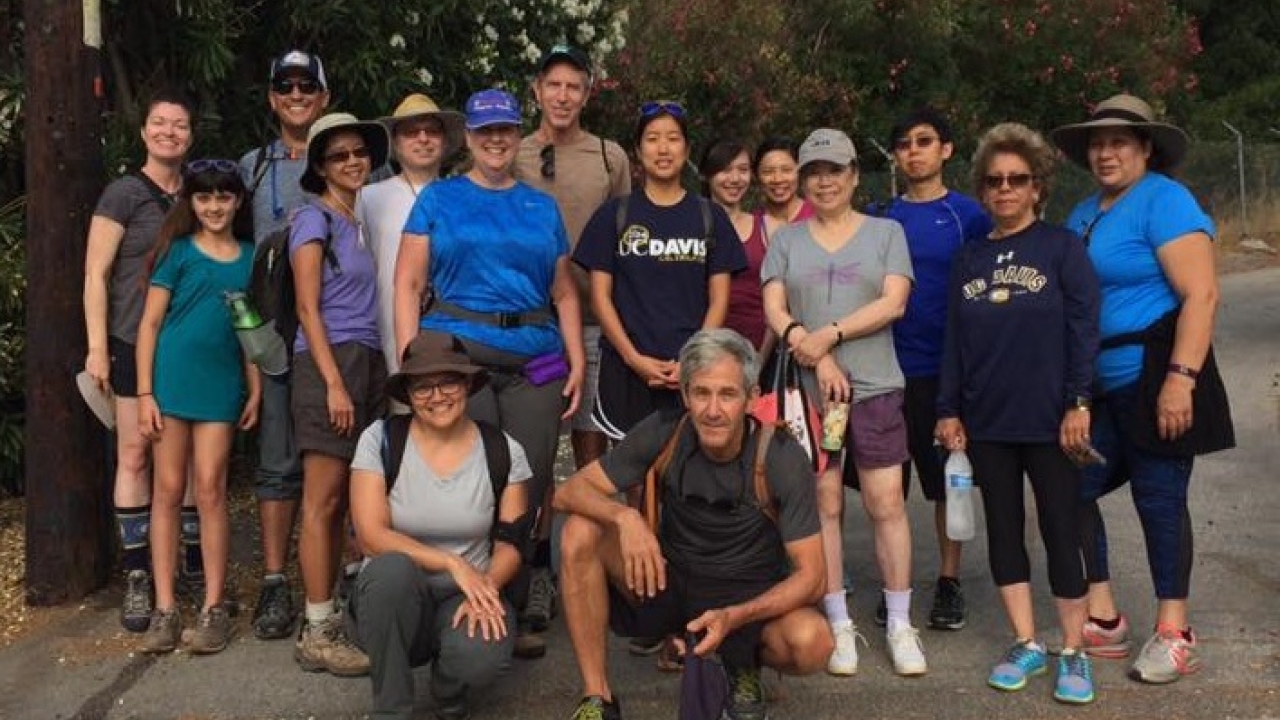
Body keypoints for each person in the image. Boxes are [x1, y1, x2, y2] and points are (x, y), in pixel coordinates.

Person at [394, 88, 586, 660]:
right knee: (475, 480)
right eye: (484, 131)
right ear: (469, 139)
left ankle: (519, 595)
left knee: (526, 482)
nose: (496, 139)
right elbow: (407, 283)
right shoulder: (439, 199)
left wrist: (574, 358)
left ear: (516, 133)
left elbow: (563, 292)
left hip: (538, 353)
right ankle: (469, 599)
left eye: (505, 129)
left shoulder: (541, 207)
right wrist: (413, 360)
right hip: (460, 349)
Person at [555, 329, 833, 720]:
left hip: (747, 597)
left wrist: (736, 618)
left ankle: (743, 665)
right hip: (670, 581)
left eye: (727, 394)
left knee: (813, 641)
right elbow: (567, 493)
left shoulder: (783, 456)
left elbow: (813, 578)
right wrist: (625, 516)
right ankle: (597, 698)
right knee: (579, 532)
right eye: (701, 393)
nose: (713, 410)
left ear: (752, 398)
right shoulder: (666, 429)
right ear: (685, 395)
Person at [1051, 94, 1220, 685]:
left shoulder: (1165, 200)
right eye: (1097, 143)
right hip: (1096, 389)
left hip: (1155, 376)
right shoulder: (1081, 212)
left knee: (1159, 498)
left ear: (1146, 148)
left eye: (1120, 141)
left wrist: (1182, 380)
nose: (1106, 152)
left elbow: (1201, 294)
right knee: (1070, 483)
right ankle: (1102, 616)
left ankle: (1174, 632)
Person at [934, 123, 1100, 703]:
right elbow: (953, 340)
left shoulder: (1062, 249)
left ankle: (1075, 652)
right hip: (988, 423)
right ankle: (1027, 641)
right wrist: (948, 409)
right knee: (1004, 532)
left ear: (1036, 187)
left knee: (1061, 531)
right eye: (994, 181)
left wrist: (1080, 403)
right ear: (982, 190)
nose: (1005, 189)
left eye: (1017, 180)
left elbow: (1084, 332)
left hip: (1052, 419)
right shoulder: (968, 258)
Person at [761, 128, 923, 677]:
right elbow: (775, 310)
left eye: (835, 170)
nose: (825, 180)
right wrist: (815, 351)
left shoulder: (886, 232)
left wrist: (827, 335)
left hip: (875, 387)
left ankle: (900, 623)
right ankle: (837, 621)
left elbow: (894, 303)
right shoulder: (787, 240)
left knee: (887, 504)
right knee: (825, 506)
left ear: (855, 174)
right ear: (804, 181)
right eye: (815, 172)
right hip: (808, 398)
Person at [513, 44, 631, 648]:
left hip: (589, 323)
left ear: (588, 93)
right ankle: (535, 569)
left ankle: (586, 562)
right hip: (532, 326)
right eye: (553, 85)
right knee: (533, 450)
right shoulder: (512, 149)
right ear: (537, 90)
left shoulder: (609, 156)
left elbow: (624, 236)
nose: (562, 96)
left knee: (591, 447)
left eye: (574, 86)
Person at [349, 332, 531, 720]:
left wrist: (487, 587)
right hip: (396, 599)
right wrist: (451, 562)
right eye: (422, 386)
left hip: (466, 595)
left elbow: (512, 542)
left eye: (448, 381)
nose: (437, 396)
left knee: (482, 653)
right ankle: (391, 709)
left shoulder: (503, 449)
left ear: (466, 384)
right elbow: (370, 535)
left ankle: (449, 688)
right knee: (390, 569)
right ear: (408, 394)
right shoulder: (379, 440)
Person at [82, 90, 202, 633]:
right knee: (135, 455)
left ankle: (193, 561)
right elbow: (95, 275)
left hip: (190, 342)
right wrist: (97, 347)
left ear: (190, 134)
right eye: (160, 123)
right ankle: (137, 573)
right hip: (132, 340)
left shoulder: (201, 192)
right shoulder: (123, 194)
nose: (169, 132)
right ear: (144, 132)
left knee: (196, 459)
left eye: (179, 125)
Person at [135, 160, 261, 654]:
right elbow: (149, 325)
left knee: (211, 488)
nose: (214, 206)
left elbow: (249, 327)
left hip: (221, 386)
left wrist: (256, 386)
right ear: (191, 202)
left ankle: (212, 607)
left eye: (224, 197)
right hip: (171, 381)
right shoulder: (178, 252)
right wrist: (145, 393)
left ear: (238, 201)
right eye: (204, 197)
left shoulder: (250, 258)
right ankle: (165, 608)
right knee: (167, 489)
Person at [876, 107, 991, 631]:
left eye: (924, 141)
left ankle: (948, 581)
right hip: (887, 370)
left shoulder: (970, 215)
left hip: (946, 374)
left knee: (948, 484)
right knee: (888, 487)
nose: (913, 151)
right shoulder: (881, 218)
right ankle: (893, 582)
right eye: (903, 143)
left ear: (946, 149)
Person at [573, 101, 747, 442]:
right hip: (626, 370)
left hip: (694, 371)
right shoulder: (614, 215)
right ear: (638, 150)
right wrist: (633, 358)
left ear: (687, 148)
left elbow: (719, 300)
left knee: (689, 474)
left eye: (673, 138)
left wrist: (692, 360)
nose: (663, 148)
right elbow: (600, 298)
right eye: (653, 139)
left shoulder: (710, 216)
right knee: (634, 479)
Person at [236, 49, 330, 641]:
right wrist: (247, 343)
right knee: (277, 460)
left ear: (323, 96)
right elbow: (234, 255)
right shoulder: (252, 166)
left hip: (333, 330)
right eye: (285, 86)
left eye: (307, 86)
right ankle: (274, 580)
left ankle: (342, 572)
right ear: (272, 98)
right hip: (273, 331)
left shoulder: (350, 157)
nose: (296, 94)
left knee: (335, 458)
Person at [291, 112, 390, 676]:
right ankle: (318, 627)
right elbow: (307, 307)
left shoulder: (357, 220)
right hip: (331, 362)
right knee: (323, 501)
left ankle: (341, 615)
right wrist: (332, 381)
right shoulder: (314, 220)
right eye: (339, 156)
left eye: (358, 152)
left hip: (369, 358)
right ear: (319, 168)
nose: (353, 161)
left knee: (356, 498)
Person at [358, 92, 465, 376]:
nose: (423, 138)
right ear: (396, 142)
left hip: (453, 327)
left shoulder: (465, 198)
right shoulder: (369, 198)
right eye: (411, 132)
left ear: (444, 141)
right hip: (386, 327)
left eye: (431, 131)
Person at [701, 138, 770, 355]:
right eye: (725, 170)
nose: (735, 179)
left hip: (756, 348)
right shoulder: (688, 227)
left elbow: (777, 303)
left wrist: (760, 360)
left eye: (743, 170)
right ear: (707, 174)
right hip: (703, 348)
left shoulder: (767, 227)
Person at [753, 137, 814, 240]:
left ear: (800, 172)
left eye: (786, 170)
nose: (778, 179)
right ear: (756, 176)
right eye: (768, 171)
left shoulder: (819, 215)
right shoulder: (750, 224)